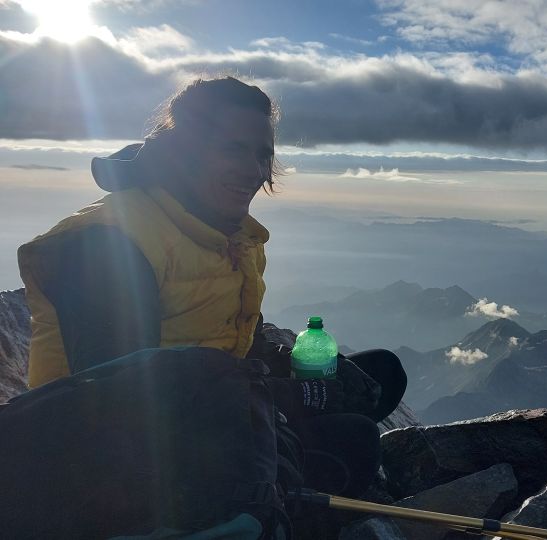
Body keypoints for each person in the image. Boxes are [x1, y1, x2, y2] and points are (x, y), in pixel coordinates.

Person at [17, 77, 406, 512]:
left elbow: (234, 342)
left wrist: (290, 368)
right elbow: (120, 402)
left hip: (210, 409)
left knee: (381, 374)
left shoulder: (231, 236)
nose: (254, 171)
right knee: (355, 439)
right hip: (102, 456)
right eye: (233, 149)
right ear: (183, 152)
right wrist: (290, 398)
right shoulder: (111, 244)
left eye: (262, 155)